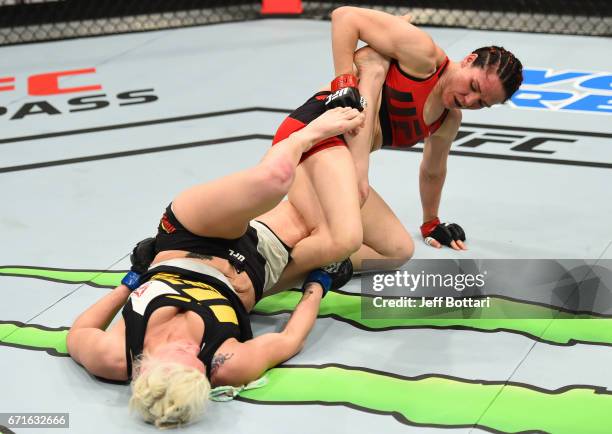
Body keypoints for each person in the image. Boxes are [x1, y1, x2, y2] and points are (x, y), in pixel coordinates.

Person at [66, 107, 364, 429]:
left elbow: (79, 333)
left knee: (275, 178)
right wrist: (318, 282)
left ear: (145, 368)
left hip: (190, 237)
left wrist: (132, 279)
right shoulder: (226, 366)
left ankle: (307, 132)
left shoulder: (113, 356)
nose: (195, 350)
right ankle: (350, 135)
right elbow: (290, 339)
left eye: (183, 355)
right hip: (256, 266)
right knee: (372, 244)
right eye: (198, 363)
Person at [269, 6, 523, 291]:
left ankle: (317, 268)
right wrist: (345, 81)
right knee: (337, 237)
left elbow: (433, 170)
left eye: (481, 103)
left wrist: (431, 222)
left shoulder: (448, 120)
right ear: (469, 60)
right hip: (311, 138)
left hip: (342, 161)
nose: (468, 99)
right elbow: (345, 17)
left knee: (397, 250)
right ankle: (248, 275)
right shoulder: (423, 55)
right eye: (473, 85)